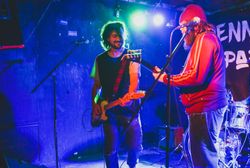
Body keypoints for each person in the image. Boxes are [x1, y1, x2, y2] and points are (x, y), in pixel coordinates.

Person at [153, 4, 228, 167]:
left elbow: (196, 76)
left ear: (193, 25)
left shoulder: (205, 38)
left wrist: (166, 79)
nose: (181, 32)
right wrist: (168, 77)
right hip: (200, 109)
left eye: (183, 28)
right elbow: (193, 74)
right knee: (194, 153)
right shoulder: (202, 41)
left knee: (203, 159)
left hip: (205, 107)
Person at [90, 21, 143, 168]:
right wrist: (94, 105)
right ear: (107, 38)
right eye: (114, 35)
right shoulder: (99, 59)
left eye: (121, 35)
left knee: (134, 145)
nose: (118, 38)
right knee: (110, 146)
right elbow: (96, 86)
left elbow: (134, 81)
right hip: (109, 110)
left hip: (129, 107)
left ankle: (132, 165)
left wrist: (129, 96)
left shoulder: (132, 55)